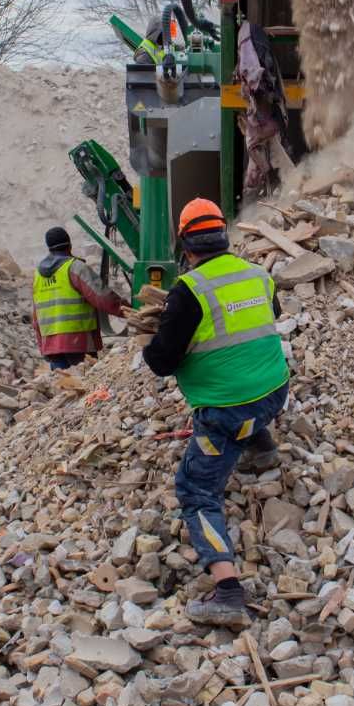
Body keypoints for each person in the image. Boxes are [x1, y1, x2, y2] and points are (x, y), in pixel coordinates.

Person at [141, 199, 291, 626]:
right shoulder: (258, 275)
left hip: (227, 409)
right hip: (275, 393)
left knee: (196, 492)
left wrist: (158, 335)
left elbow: (161, 362)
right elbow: (268, 317)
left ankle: (227, 590)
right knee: (249, 398)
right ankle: (261, 442)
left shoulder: (189, 291)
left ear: (185, 245)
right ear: (225, 237)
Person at [32, 226, 128, 370]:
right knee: (85, 385)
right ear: (70, 245)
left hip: (52, 346)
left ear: (49, 248)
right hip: (78, 343)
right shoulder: (75, 267)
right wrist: (130, 311)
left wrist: (43, 346)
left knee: (64, 387)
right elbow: (102, 298)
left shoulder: (38, 275)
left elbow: (36, 318)